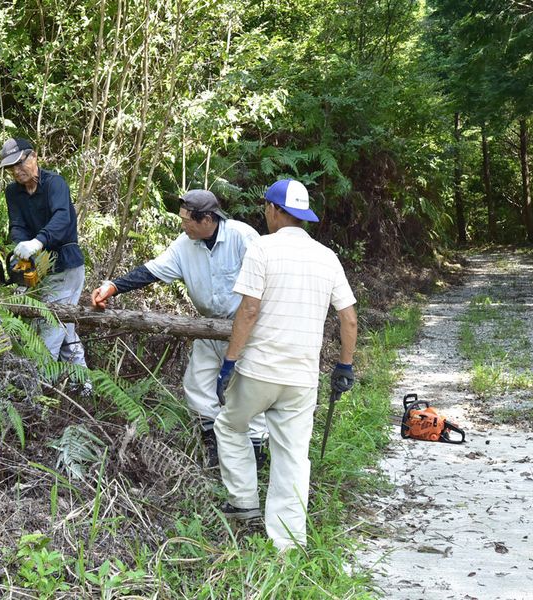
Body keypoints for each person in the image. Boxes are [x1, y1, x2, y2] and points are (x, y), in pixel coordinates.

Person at [213, 178, 358, 552]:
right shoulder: (327, 257)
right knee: (293, 456)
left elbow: (248, 310)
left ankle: (243, 502)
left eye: (266, 207)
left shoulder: (262, 249)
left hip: (259, 371)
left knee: (230, 425)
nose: (265, 213)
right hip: (301, 378)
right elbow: (349, 318)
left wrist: (229, 363)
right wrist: (345, 366)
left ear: (276, 211)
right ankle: (287, 542)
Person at [90, 189, 269, 468]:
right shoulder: (184, 245)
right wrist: (113, 287)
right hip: (207, 328)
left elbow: (266, 278)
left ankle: (255, 457)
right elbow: (150, 271)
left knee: (248, 391)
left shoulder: (242, 237)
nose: (183, 224)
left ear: (207, 218)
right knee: (197, 387)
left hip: (245, 328)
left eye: (187, 219)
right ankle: (213, 450)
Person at [0, 137, 88, 371]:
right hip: (39, 269)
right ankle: (84, 386)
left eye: (20, 163)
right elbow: (16, 224)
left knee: (50, 329)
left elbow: (62, 218)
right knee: (64, 328)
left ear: (34, 156)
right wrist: (20, 246)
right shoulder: (13, 193)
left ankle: (39, 391)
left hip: (65, 267)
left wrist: (38, 242)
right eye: (11, 167)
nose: (17, 171)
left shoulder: (54, 184)